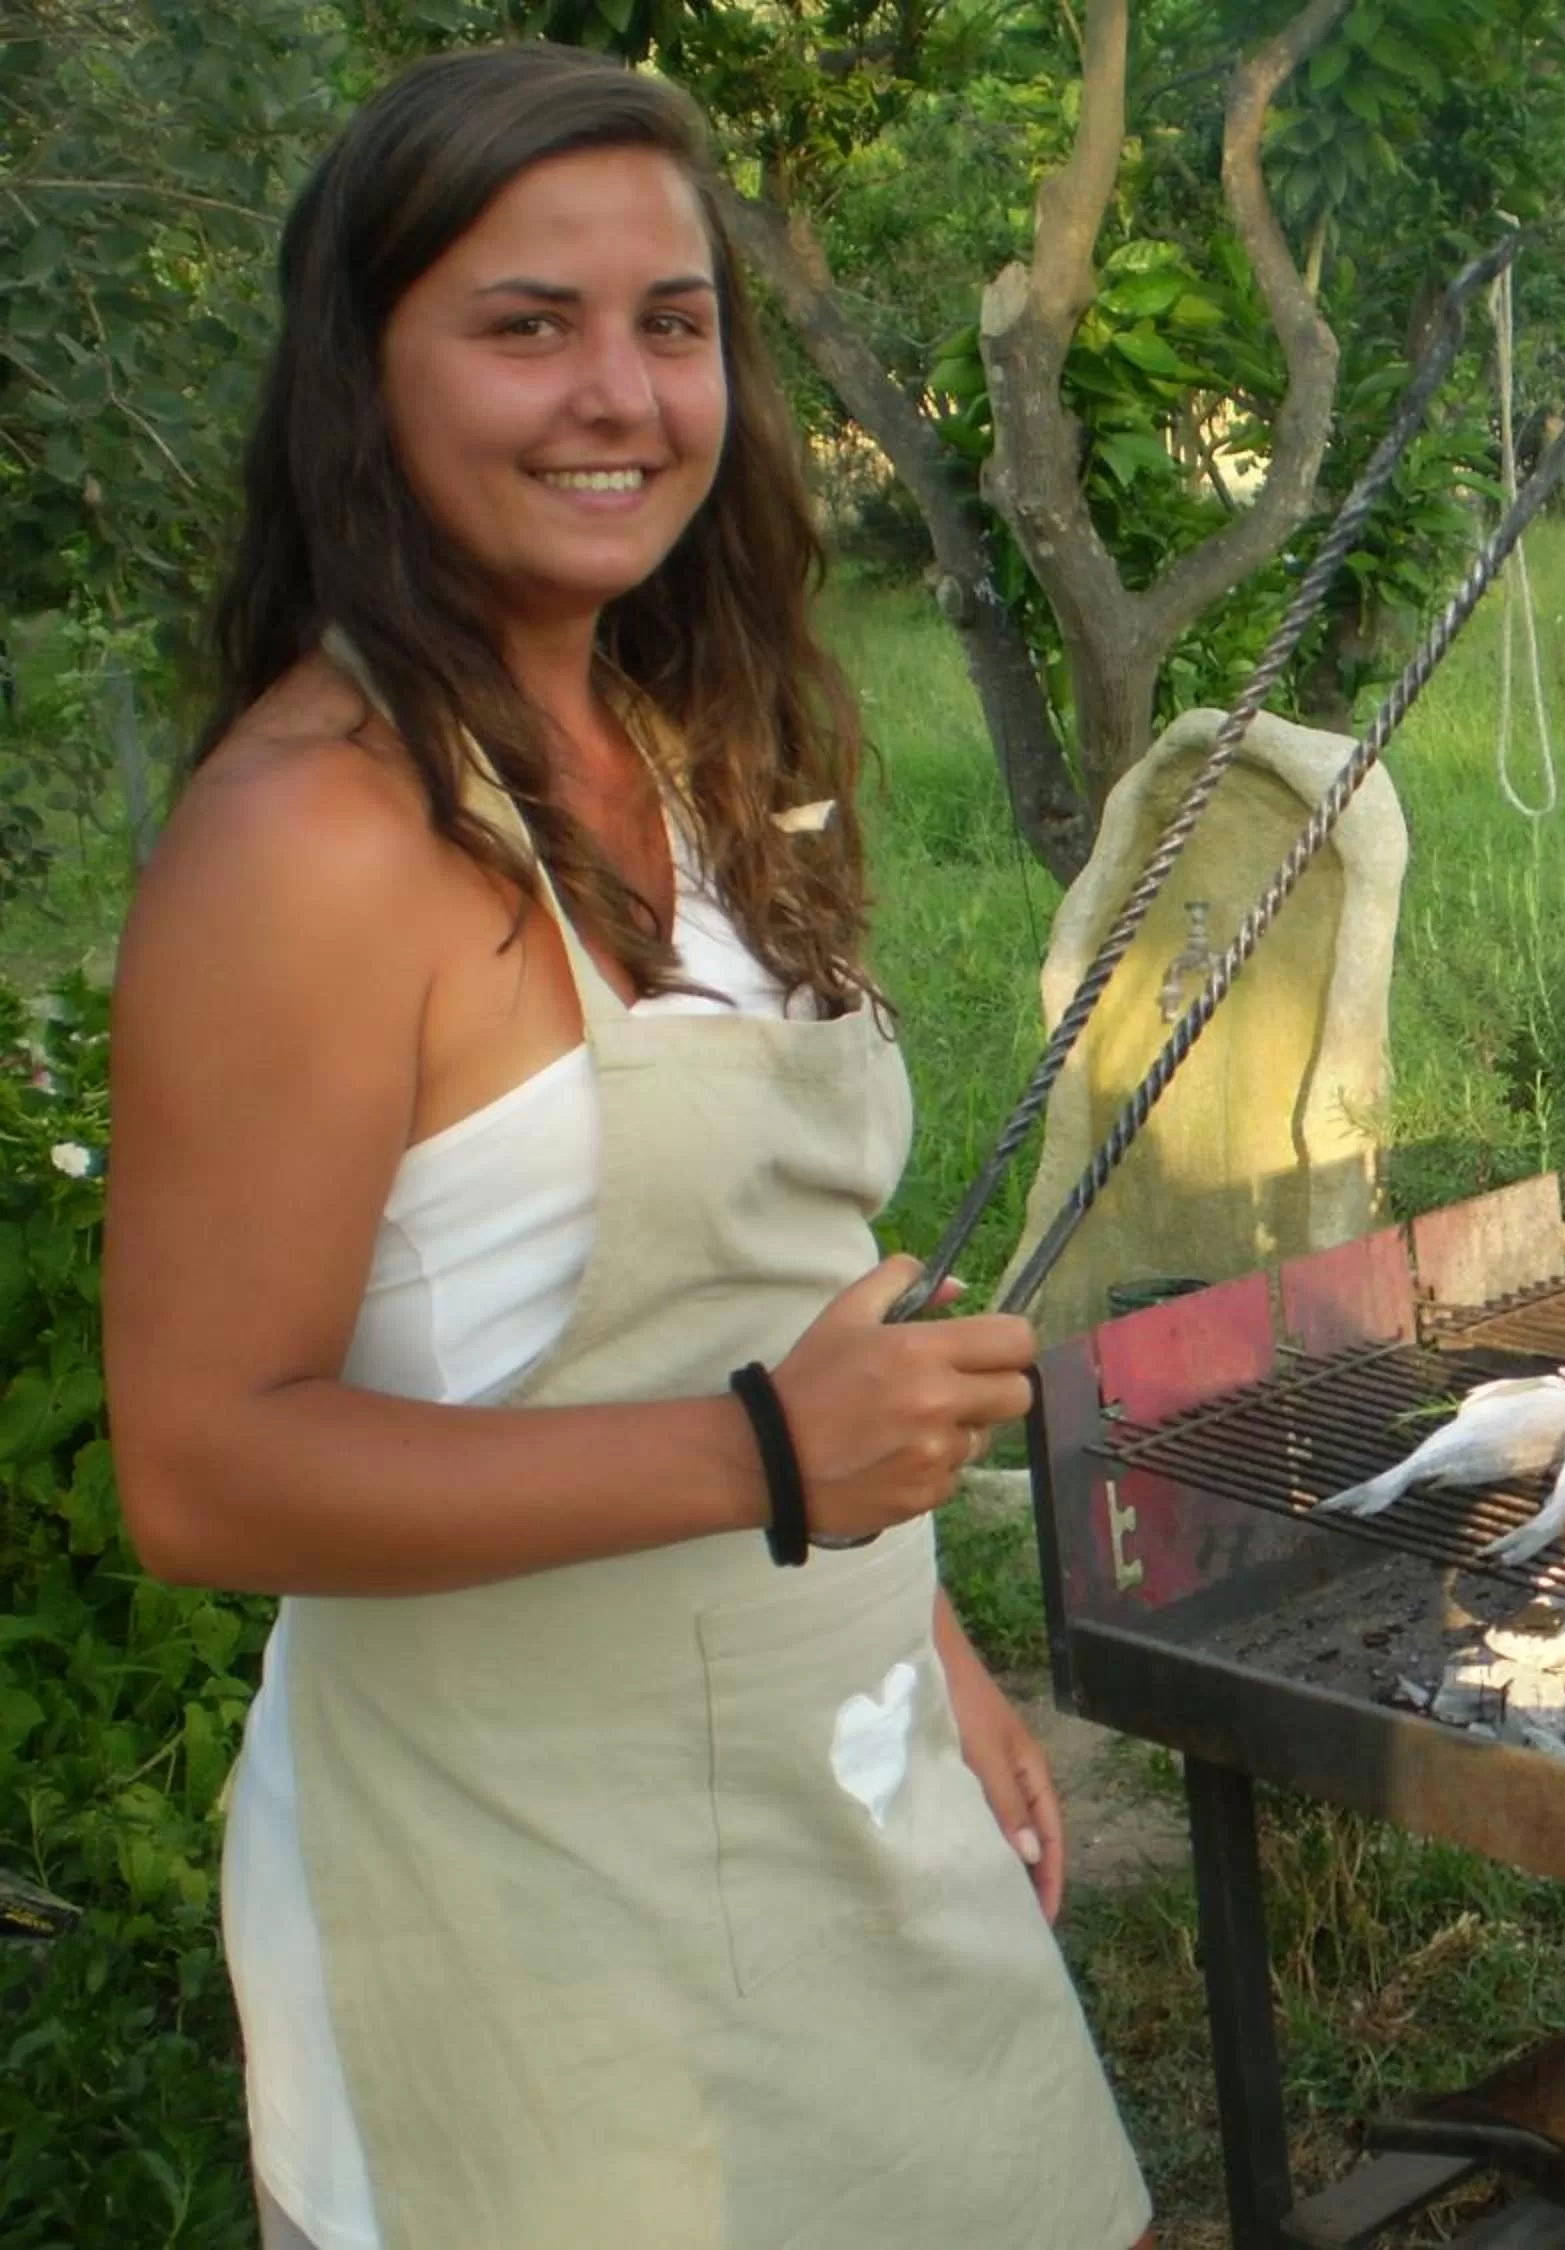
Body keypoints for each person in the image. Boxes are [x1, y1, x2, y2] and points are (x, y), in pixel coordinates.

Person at [100, 43, 1154, 2250]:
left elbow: (764, 1291)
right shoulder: (314, 841)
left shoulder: (683, 733)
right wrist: (773, 1458)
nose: (620, 394)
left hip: (828, 1775)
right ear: (360, 374)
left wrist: (924, 1647)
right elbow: (201, 1469)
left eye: (670, 325)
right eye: (524, 325)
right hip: (519, 1900)